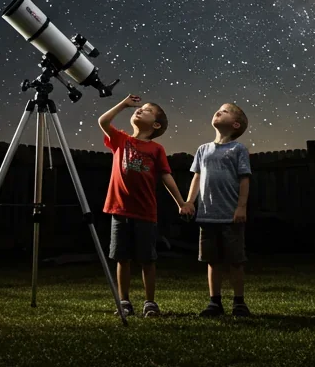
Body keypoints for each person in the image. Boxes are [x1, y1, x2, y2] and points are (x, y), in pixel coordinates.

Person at [98, 94, 193, 318]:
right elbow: (103, 121)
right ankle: (124, 301)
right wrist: (123, 104)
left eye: (147, 110)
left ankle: (150, 302)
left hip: (145, 212)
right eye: (139, 109)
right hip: (120, 210)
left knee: (147, 260)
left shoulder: (156, 149)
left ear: (156, 125)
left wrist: (182, 202)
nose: (139, 110)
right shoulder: (120, 139)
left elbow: (166, 176)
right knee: (122, 258)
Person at [184, 102, 253, 317]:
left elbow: (244, 179)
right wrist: (189, 202)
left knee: (235, 261)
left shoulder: (238, 149)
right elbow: (197, 178)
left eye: (225, 111)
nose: (218, 111)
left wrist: (241, 207)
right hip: (208, 216)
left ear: (235, 124)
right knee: (212, 261)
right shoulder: (203, 149)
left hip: (230, 215)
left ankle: (239, 302)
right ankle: (215, 302)